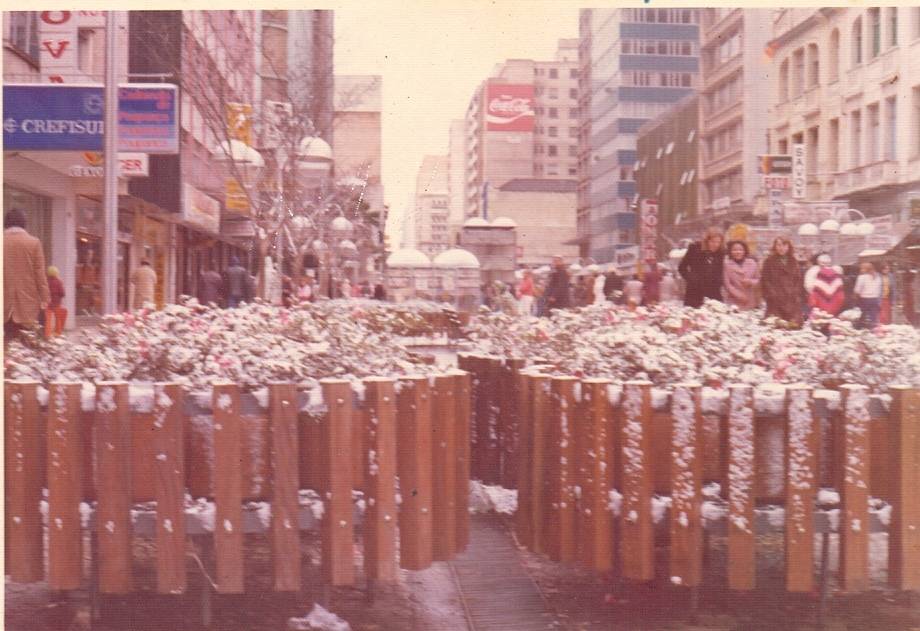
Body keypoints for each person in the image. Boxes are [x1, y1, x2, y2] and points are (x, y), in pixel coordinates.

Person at [4, 209, 51, 342]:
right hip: (29, 304)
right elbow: (39, 274)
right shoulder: (33, 243)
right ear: (24, 223)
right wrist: (45, 298)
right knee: (28, 346)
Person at [678, 227, 725, 308]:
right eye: (713, 241)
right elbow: (682, 267)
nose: (716, 245)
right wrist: (691, 279)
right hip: (694, 292)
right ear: (707, 240)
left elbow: (720, 271)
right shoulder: (695, 248)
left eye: (718, 242)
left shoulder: (721, 253)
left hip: (713, 293)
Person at [760, 237, 803, 324]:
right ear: (775, 246)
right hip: (775, 299)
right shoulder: (769, 261)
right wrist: (771, 294)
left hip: (791, 299)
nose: (781, 248)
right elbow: (765, 280)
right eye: (779, 245)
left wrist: (795, 293)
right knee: (775, 324)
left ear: (788, 247)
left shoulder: (793, 261)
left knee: (793, 325)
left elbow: (798, 279)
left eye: (784, 245)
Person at [722, 240, 760, 310]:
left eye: (740, 250)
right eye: (734, 250)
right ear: (730, 251)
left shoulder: (752, 263)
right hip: (733, 301)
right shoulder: (726, 265)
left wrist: (750, 282)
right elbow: (727, 285)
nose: (738, 252)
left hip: (750, 300)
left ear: (745, 251)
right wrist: (739, 295)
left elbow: (759, 280)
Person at [853, 261, 883, 329]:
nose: (860, 270)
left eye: (861, 268)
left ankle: (861, 330)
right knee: (873, 317)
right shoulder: (878, 277)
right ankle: (874, 330)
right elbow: (879, 289)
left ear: (865, 269)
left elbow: (857, 290)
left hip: (864, 299)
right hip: (874, 299)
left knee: (863, 316)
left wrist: (855, 297)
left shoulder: (862, 277)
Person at [45, 265, 67, 337]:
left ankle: (47, 333)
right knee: (58, 318)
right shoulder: (58, 282)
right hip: (57, 302)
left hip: (48, 302)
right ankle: (58, 332)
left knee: (48, 319)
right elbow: (62, 293)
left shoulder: (46, 281)